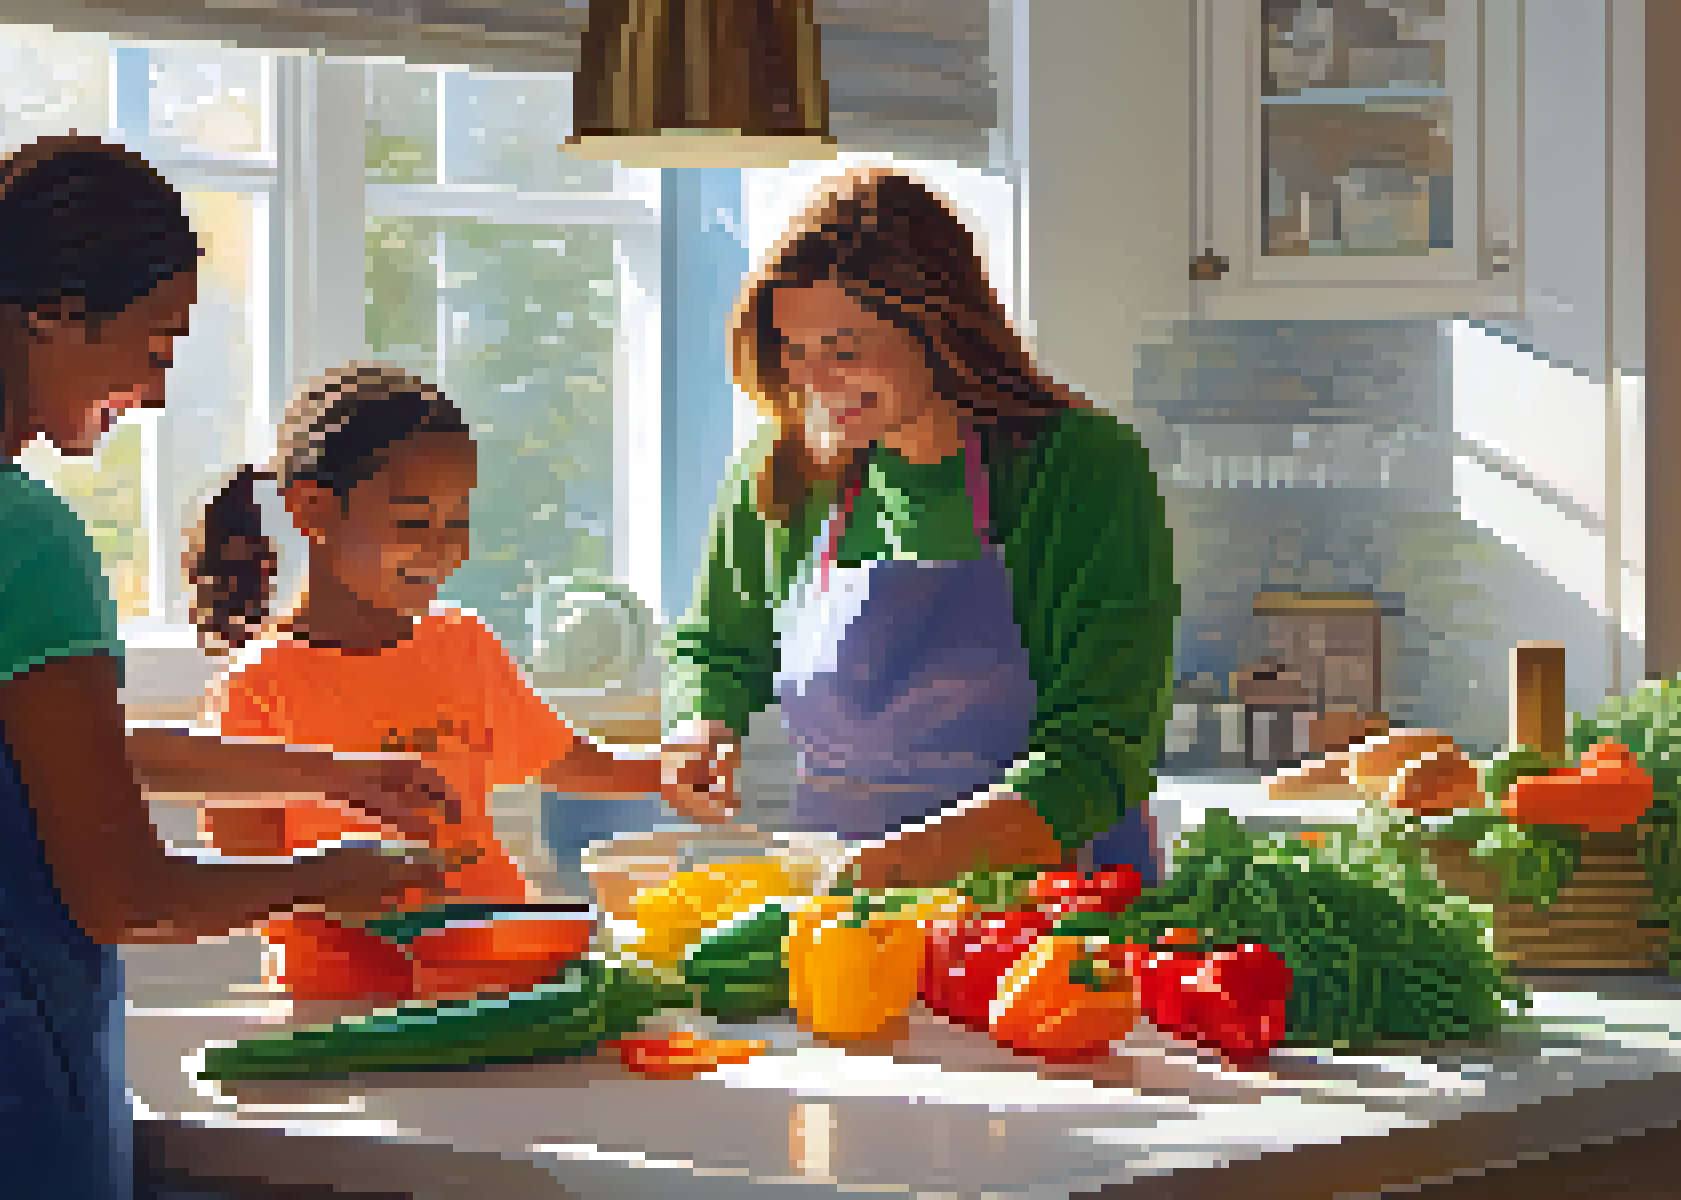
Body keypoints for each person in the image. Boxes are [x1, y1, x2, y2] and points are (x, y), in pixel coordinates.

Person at [0, 135, 452, 1200]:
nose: (153, 392)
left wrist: (335, 776)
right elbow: (126, 896)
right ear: (55, 311)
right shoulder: (23, 536)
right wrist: (327, 882)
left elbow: (54, 761)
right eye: (153, 344)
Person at [660, 166, 1179, 892]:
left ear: (937, 325)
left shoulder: (1080, 469)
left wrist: (890, 869)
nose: (815, 382)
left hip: (1056, 911)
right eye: (795, 350)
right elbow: (718, 644)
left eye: (845, 348)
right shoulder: (785, 470)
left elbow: (1099, 747)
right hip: (844, 906)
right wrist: (702, 725)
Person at [179, 362, 737, 991]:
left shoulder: (462, 643)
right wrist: (331, 888)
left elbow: (558, 758)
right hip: (348, 994)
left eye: (459, 522)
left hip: (501, 970)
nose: (444, 548)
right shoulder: (257, 689)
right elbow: (241, 873)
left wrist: (659, 772)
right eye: (413, 524)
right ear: (313, 510)